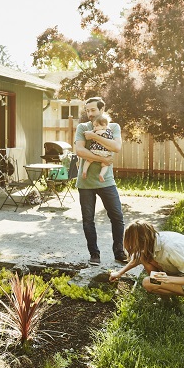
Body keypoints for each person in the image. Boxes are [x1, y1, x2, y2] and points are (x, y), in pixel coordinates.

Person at [75, 97, 126, 265]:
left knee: (117, 217)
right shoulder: (82, 127)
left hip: (107, 181)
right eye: (87, 111)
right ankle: (94, 254)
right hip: (86, 183)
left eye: (93, 110)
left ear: (102, 109)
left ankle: (119, 252)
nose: (89, 114)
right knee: (88, 220)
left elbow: (116, 148)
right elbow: (80, 151)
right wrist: (103, 159)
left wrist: (95, 137)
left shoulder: (113, 127)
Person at [109, 220, 184, 299]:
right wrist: (119, 273)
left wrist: (167, 279)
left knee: (148, 282)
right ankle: (166, 296)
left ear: (143, 241)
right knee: (144, 257)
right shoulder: (154, 239)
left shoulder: (171, 248)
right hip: (183, 276)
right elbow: (138, 258)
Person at [81, 114, 113, 182]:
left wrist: (88, 133)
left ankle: (84, 171)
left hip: (95, 151)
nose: (95, 127)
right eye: (94, 126)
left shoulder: (99, 131)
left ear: (104, 125)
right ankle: (101, 174)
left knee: (88, 160)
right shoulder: (109, 131)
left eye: (97, 125)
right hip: (105, 153)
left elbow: (91, 134)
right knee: (105, 165)